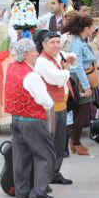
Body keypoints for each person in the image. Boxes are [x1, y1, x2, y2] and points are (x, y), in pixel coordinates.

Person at [4, 38, 55, 198]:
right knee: (45, 155)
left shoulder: (11, 68)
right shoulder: (31, 76)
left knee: (20, 156)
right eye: (34, 50)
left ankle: (21, 193)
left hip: (16, 118)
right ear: (26, 54)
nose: (37, 53)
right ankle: (40, 191)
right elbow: (47, 102)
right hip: (33, 120)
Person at [34, 31, 75, 186]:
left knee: (59, 143)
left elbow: (72, 56)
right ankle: (44, 177)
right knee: (48, 143)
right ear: (44, 45)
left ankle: (54, 173)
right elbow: (57, 79)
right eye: (52, 42)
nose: (56, 45)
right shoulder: (42, 61)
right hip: (49, 108)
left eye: (58, 42)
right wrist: (66, 69)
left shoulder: (57, 56)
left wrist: (68, 62)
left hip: (61, 105)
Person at [62, 14, 96, 156]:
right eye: (91, 27)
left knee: (80, 112)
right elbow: (78, 66)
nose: (93, 29)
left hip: (81, 78)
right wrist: (86, 86)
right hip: (80, 79)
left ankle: (75, 142)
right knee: (82, 112)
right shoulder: (77, 42)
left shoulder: (80, 40)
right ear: (86, 28)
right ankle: (75, 142)